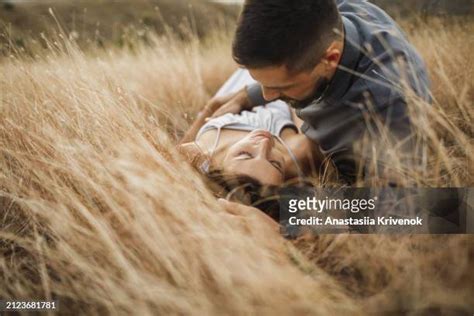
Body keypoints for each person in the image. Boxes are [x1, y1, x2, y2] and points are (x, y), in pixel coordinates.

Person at [207, 0, 432, 184]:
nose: (266, 97)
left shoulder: (391, 111)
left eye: (280, 87)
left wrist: (289, 216)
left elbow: (438, 212)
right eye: (262, 84)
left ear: (330, 59)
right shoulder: (323, 15)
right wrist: (245, 97)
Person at [178, 69, 324, 187]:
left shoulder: (197, 154)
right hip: (283, 89)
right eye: (275, 164)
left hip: (235, 89)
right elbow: (302, 99)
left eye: (245, 155)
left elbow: (214, 105)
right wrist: (280, 86)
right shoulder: (298, 153)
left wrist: (213, 106)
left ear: (219, 171)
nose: (265, 143)